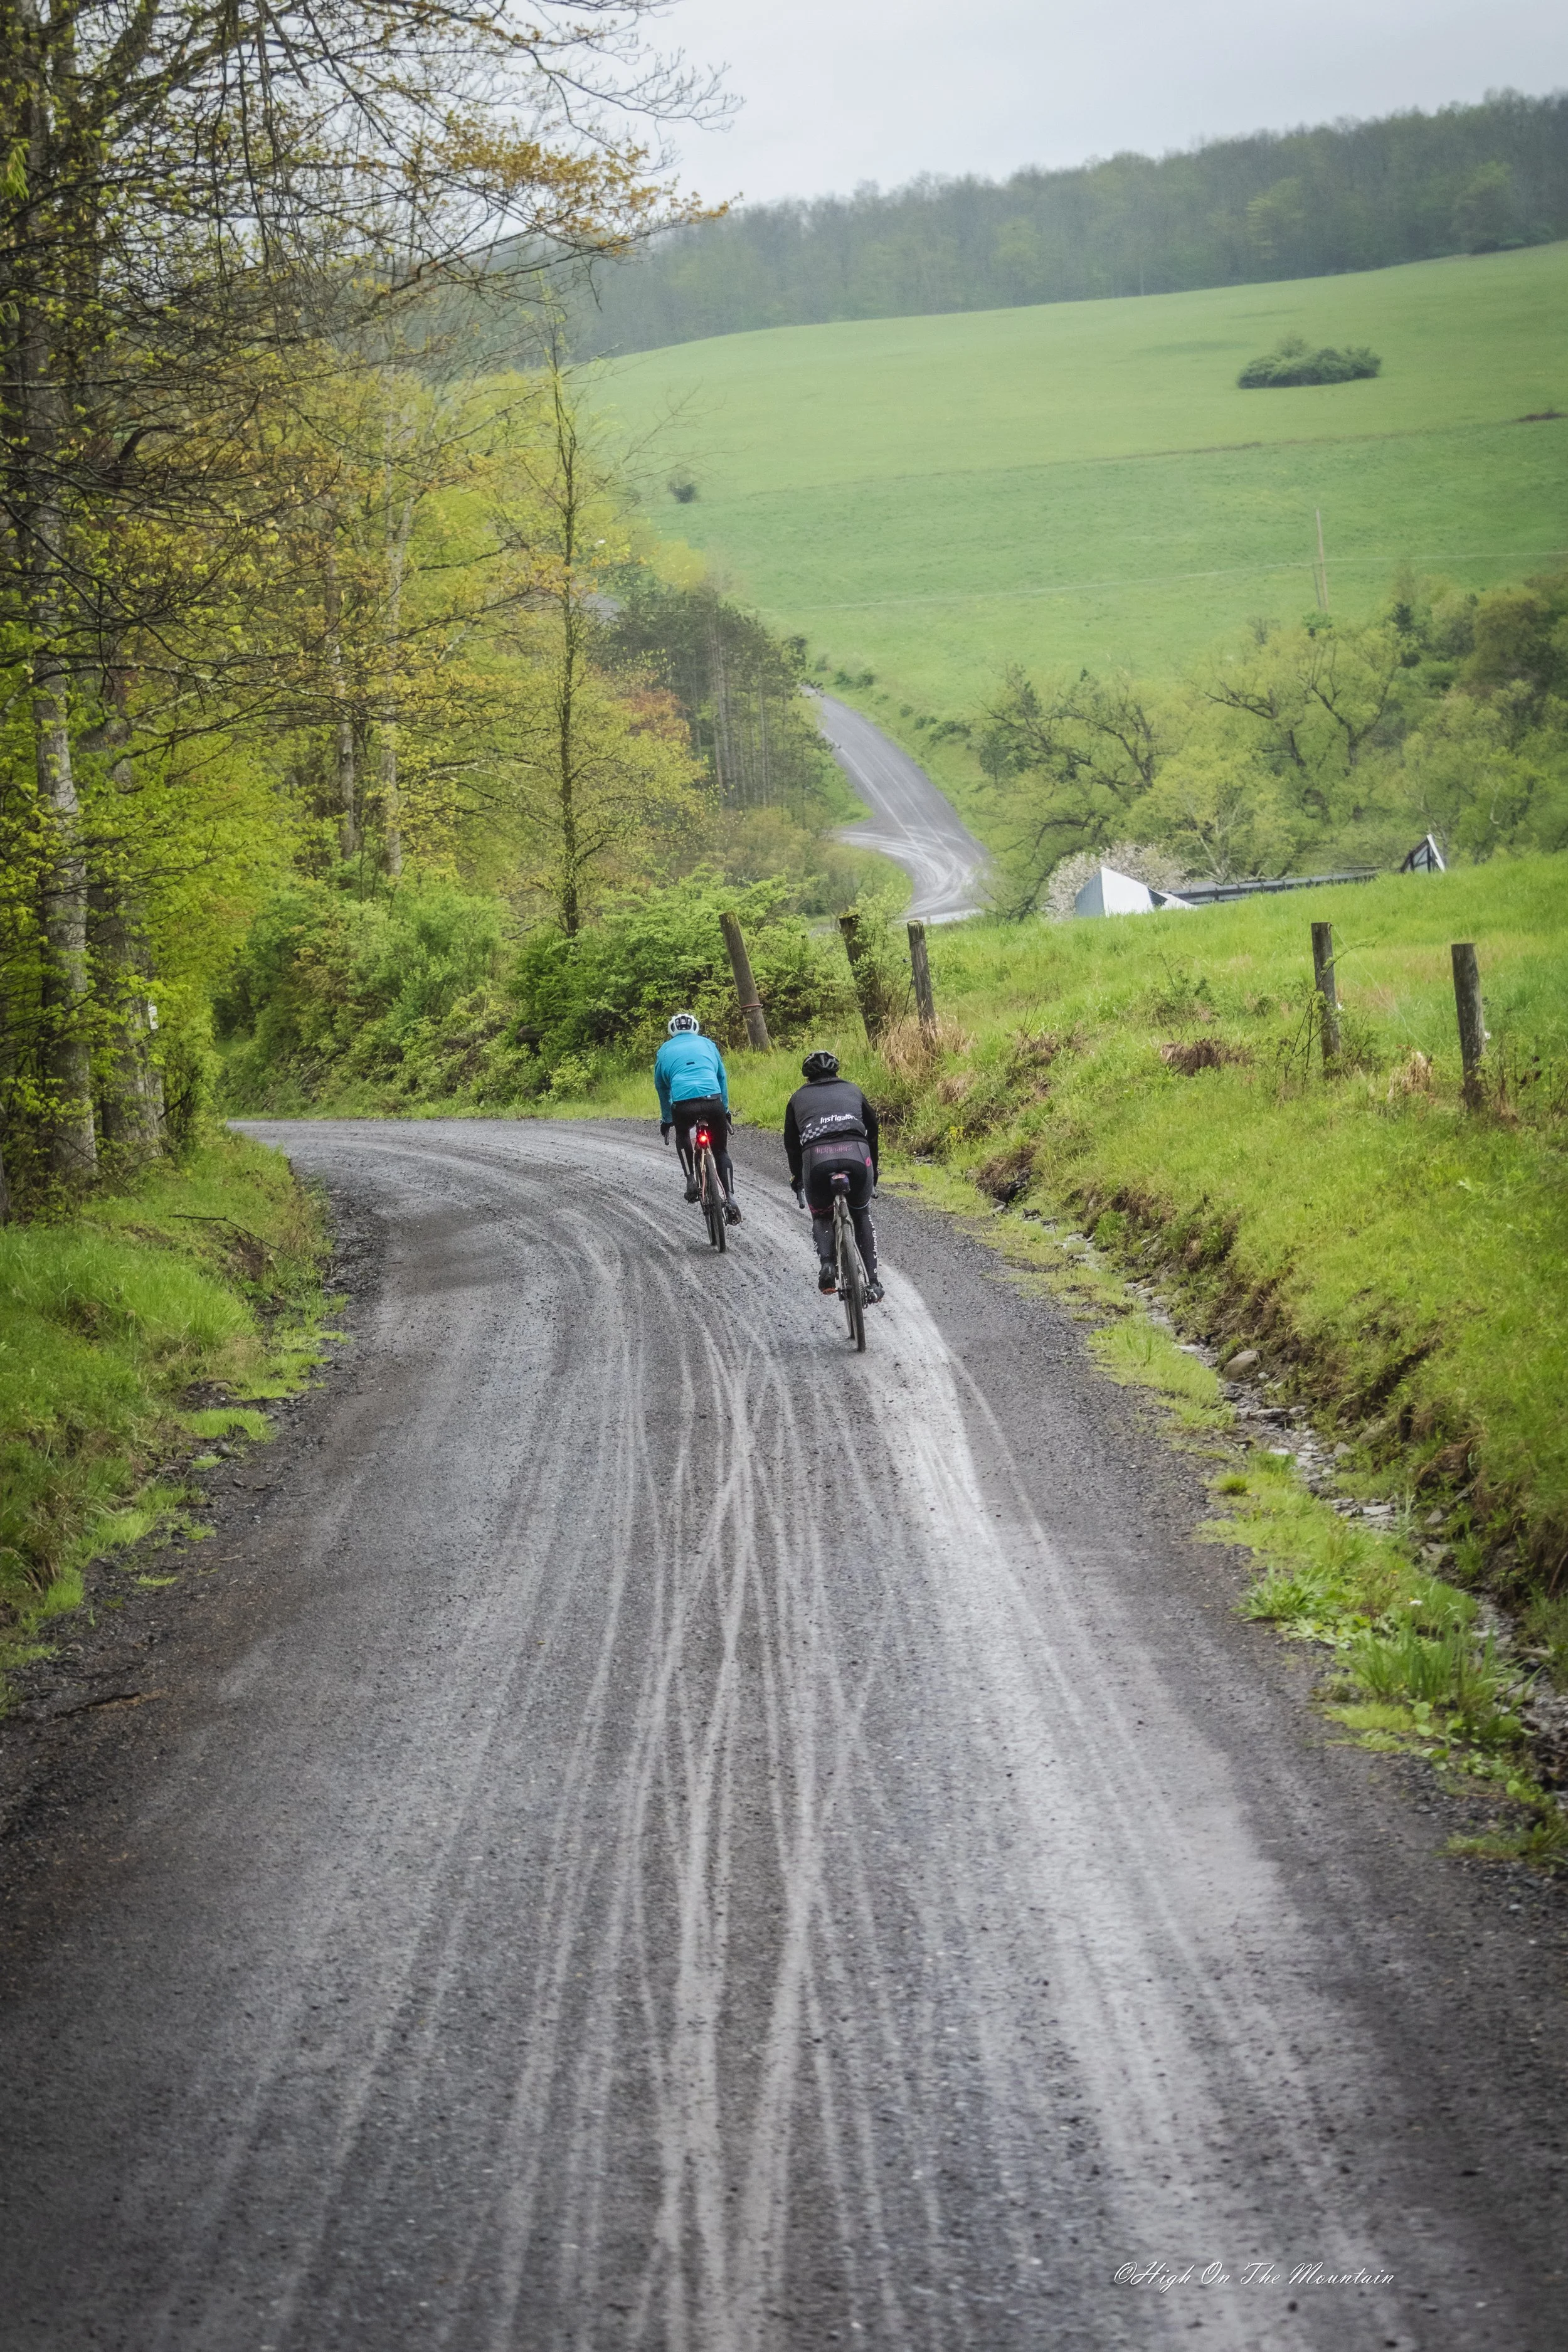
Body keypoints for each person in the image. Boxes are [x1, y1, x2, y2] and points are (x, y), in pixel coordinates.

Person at [783, 1049, 884, 1303]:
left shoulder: (797, 1098)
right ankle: (873, 1282)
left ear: (807, 1077)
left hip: (816, 1159)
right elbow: (873, 1131)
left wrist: (797, 1177)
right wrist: (874, 1170)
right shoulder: (853, 1089)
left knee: (822, 1214)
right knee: (860, 1213)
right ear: (836, 1071)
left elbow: (792, 1145)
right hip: (857, 1154)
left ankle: (828, 1265)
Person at [654, 1012, 740, 1222]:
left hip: (683, 1105)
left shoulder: (665, 1050)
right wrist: (726, 1109)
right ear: (696, 1029)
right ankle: (730, 1198)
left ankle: (691, 1180)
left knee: (683, 1133)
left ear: (672, 1032)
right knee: (720, 1150)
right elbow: (721, 1076)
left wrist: (667, 1120)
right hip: (713, 1100)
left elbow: (661, 1087)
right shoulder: (708, 1044)